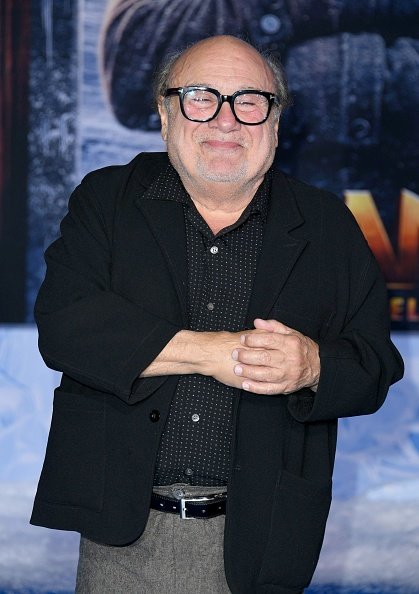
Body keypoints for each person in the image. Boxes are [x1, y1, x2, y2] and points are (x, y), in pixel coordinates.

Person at [31, 35, 403, 594]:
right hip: (121, 539)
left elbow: (376, 366)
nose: (226, 121)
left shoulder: (328, 223)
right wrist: (217, 353)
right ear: (164, 113)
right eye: (201, 97)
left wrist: (312, 368)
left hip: (265, 541)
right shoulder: (106, 199)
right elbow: (65, 327)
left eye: (250, 100)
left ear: (275, 123)